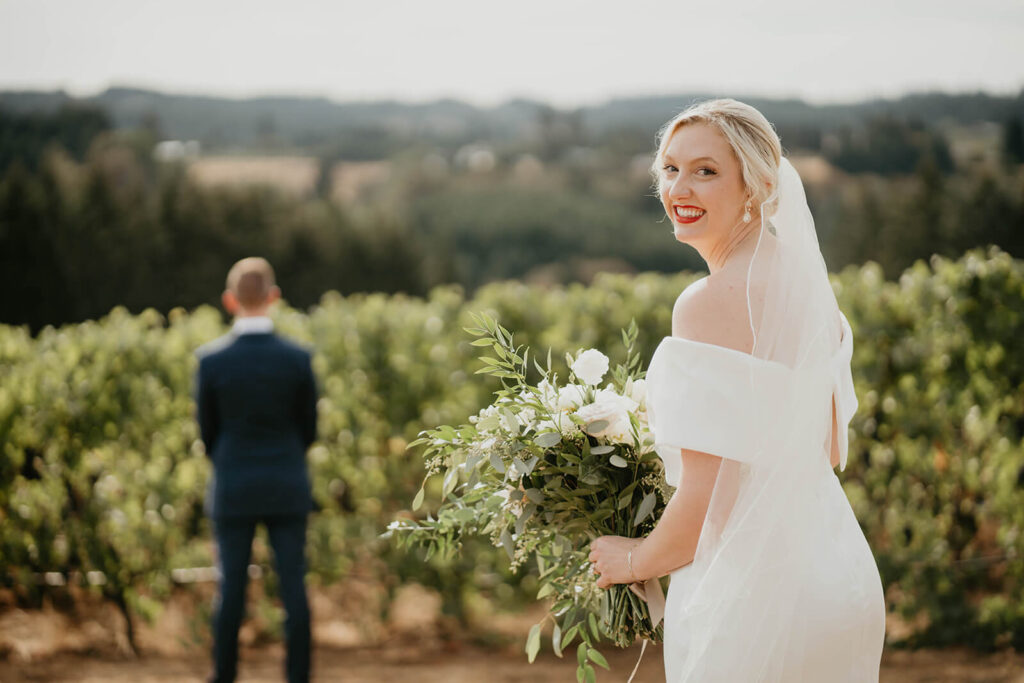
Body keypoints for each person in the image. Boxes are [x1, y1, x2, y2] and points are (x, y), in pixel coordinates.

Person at [588, 100, 885, 681]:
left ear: (757, 186)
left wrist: (632, 559)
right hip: (836, 577)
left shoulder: (706, 303)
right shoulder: (808, 289)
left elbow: (705, 501)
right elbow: (824, 452)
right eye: (670, 169)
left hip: (754, 594)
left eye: (706, 171)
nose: (680, 187)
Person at [195, 257, 318, 683]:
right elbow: (309, 430)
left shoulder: (211, 361)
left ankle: (224, 675)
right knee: (293, 588)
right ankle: (298, 677)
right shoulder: (298, 358)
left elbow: (207, 433)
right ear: (274, 298)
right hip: (287, 482)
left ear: (230, 301)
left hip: (233, 485)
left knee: (230, 588)